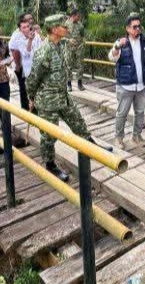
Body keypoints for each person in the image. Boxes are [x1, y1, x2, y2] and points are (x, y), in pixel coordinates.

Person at [27, 14, 110, 182]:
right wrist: (31, 98)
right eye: (63, 26)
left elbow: (72, 46)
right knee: (50, 136)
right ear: (54, 29)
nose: (67, 28)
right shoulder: (44, 52)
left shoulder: (62, 44)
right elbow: (33, 79)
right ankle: (50, 165)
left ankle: (91, 147)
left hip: (63, 95)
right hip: (48, 99)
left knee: (78, 121)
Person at [108, 13, 145, 150]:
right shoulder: (121, 43)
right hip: (125, 85)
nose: (138, 29)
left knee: (140, 112)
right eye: (134, 27)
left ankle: (137, 136)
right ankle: (119, 138)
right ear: (128, 28)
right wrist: (117, 47)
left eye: (139, 26)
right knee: (122, 113)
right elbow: (112, 57)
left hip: (142, 85)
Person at [9, 14, 42, 111]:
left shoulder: (36, 34)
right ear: (20, 28)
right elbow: (16, 51)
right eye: (28, 20)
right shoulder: (17, 36)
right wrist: (18, 66)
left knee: (37, 90)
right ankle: (26, 110)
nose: (31, 21)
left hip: (36, 67)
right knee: (25, 89)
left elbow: (40, 48)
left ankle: (36, 109)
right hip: (22, 66)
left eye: (31, 20)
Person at [64, 9, 85, 92]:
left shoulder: (80, 25)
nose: (79, 17)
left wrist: (82, 44)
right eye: (78, 16)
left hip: (79, 48)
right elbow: (62, 36)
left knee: (80, 65)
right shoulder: (66, 24)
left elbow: (83, 36)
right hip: (69, 48)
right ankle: (69, 84)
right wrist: (68, 40)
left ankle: (80, 83)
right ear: (73, 16)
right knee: (68, 66)